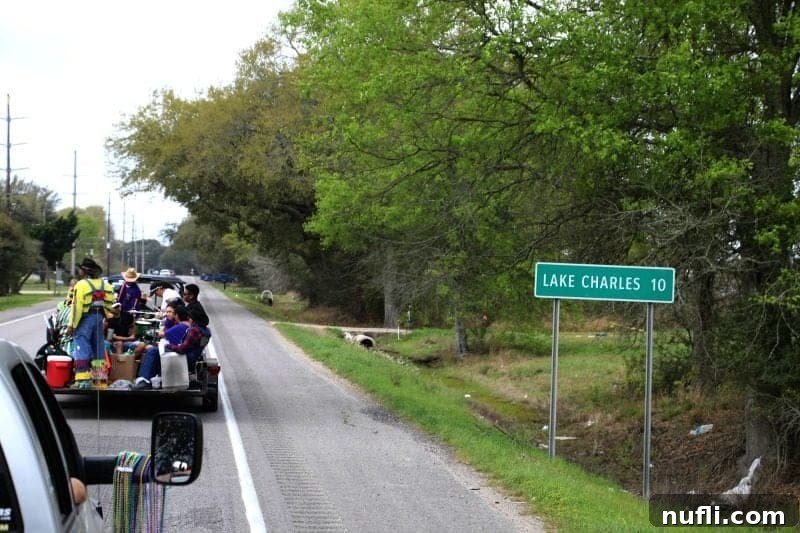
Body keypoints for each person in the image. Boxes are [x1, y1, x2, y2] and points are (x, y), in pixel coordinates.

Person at [134, 306, 210, 390]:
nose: (189, 319)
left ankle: (144, 379)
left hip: (186, 357)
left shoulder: (194, 331)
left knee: (153, 351)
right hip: (193, 357)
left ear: (194, 319)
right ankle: (157, 376)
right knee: (158, 351)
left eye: (190, 317)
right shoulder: (206, 331)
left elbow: (182, 349)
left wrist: (167, 345)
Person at [67, 257, 115, 387]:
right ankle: (100, 381)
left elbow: (77, 307)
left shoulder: (81, 285)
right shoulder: (106, 285)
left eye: (81, 270)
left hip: (84, 319)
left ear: (86, 272)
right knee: (98, 348)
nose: (79, 272)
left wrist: (71, 325)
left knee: (81, 347)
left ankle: (83, 381)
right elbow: (110, 305)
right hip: (99, 318)